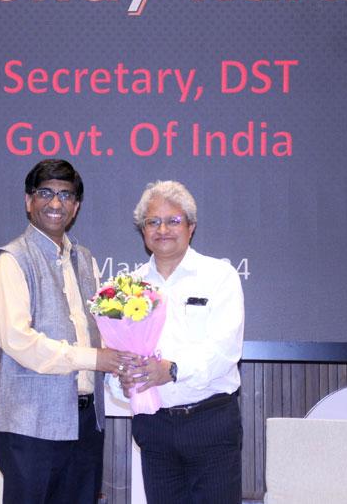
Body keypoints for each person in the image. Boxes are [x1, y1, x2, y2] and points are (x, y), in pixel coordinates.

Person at [0, 159, 130, 504]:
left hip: (85, 424)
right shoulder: (10, 261)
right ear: (28, 200)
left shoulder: (86, 260)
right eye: (45, 193)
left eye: (65, 196)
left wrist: (124, 364)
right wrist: (96, 358)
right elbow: (18, 341)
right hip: (31, 428)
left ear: (76, 207)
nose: (55, 203)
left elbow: (101, 332)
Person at [116, 180, 244, 503]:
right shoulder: (127, 288)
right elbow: (118, 355)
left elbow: (225, 350)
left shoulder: (219, 276)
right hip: (155, 428)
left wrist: (171, 370)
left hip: (210, 423)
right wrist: (123, 376)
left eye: (173, 220)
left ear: (191, 227)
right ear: (143, 231)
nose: (162, 229)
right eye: (152, 221)